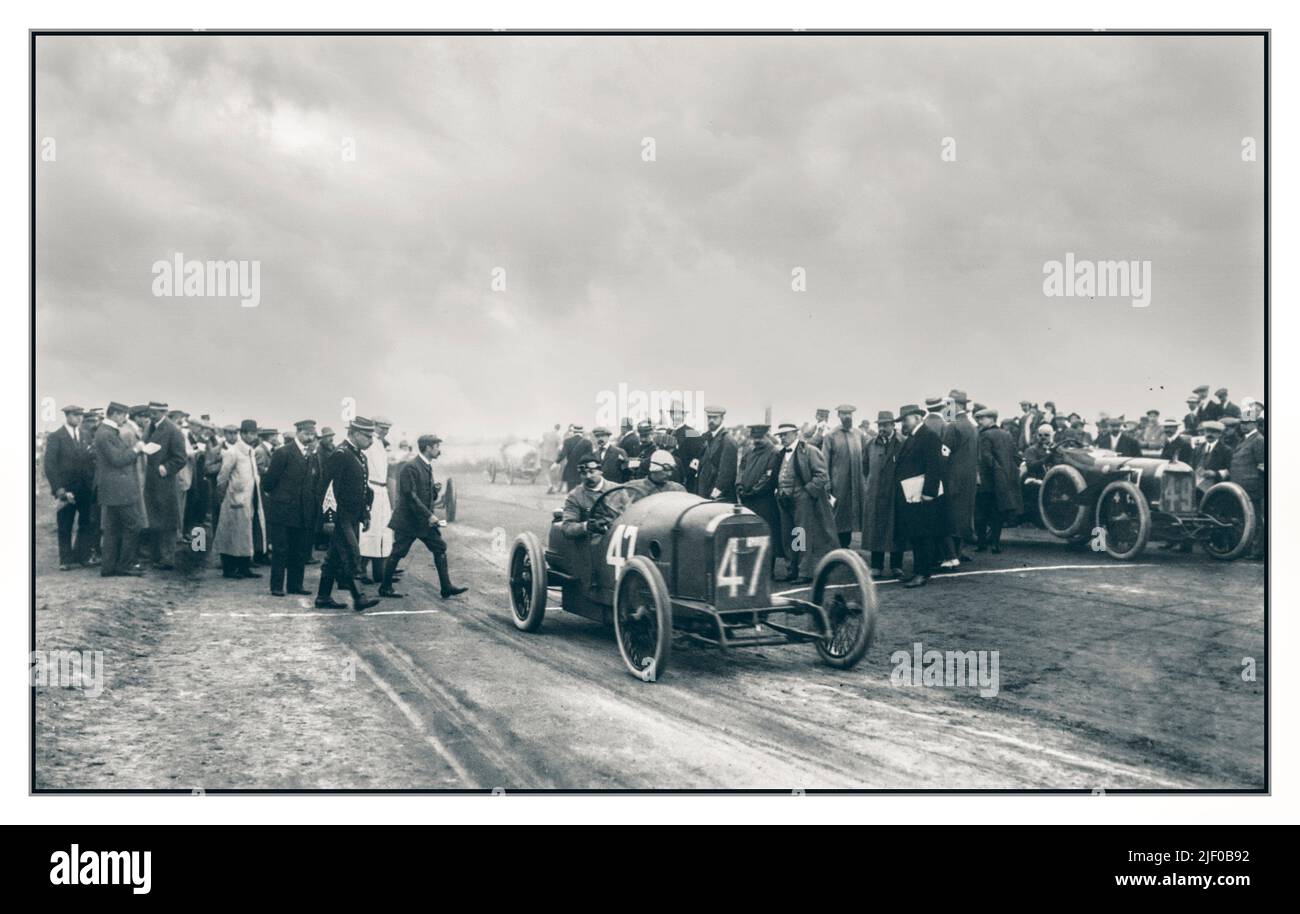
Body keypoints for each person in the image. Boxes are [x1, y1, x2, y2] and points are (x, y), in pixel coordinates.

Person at [379, 433, 467, 599]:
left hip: (423, 522)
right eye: (436, 447)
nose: (439, 450)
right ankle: (385, 587)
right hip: (408, 521)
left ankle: (446, 587)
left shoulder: (425, 465)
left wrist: (434, 491)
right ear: (428, 448)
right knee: (398, 552)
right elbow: (410, 496)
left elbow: (423, 495)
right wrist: (430, 516)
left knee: (439, 547)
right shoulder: (410, 467)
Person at [315, 417, 380, 612]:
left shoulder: (359, 456)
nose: (371, 440)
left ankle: (323, 597)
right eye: (367, 436)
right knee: (352, 554)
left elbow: (363, 489)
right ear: (355, 434)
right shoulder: (341, 455)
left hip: (353, 516)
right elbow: (327, 489)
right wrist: (329, 518)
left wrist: (365, 514)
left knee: (333, 558)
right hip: (340, 517)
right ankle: (359, 597)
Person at [773, 422, 837, 584]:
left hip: (803, 501)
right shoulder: (780, 454)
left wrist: (807, 492)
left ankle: (804, 572)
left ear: (795, 434)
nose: (782, 438)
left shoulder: (809, 451)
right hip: (784, 500)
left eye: (785, 434)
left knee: (801, 535)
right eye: (780, 435)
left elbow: (822, 475)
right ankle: (792, 569)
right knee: (789, 535)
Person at [261, 419, 319, 596]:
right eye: (307, 434)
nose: (310, 438)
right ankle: (277, 586)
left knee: (299, 550)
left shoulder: (312, 455)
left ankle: (295, 585)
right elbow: (269, 482)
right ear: (298, 433)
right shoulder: (283, 453)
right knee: (280, 549)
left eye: (312, 435)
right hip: (283, 510)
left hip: (302, 511)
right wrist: (280, 497)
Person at [92, 402, 146, 577]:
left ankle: (109, 567)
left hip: (113, 489)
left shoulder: (106, 432)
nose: (125, 418)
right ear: (114, 414)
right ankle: (125, 565)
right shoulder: (106, 433)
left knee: (112, 528)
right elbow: (117, 459)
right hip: (119, 489)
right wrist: (136, 450)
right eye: (123, 415)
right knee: (134, 524)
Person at [894, 404, 944, 588]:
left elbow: (935, 466)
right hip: (912, 494)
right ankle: (918, 571)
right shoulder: (914, 437)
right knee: (916, 534)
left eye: (905, 420)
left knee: (923, 535)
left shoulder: (928, 436)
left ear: (916, 417)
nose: (902, 425)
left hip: (922, 495)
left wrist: (929, 493)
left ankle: (923, 573)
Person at [44, 404, 97, 570]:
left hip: (85, 489)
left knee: (86, 523)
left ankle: (83, 556)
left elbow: (91, 461)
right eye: (75, 415)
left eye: (81, 415)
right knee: (65, 525)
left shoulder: (86, 435)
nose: (79, 418)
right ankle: (65, 560)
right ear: (67, 416)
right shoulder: (56, 436)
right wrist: (59, 489)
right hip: (67, 489)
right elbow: (50, 465)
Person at [213, 419, 268, 579]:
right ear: (242, 434)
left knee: (245, 534)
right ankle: (228, 569)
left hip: (249, 497)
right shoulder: (233, 452)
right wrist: (222, 496)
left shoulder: (250, 451)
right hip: (234, 498)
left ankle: (244, 567)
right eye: (249, 433)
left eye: (254, 433)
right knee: (230, 533)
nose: (252, 436)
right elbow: (223, 476)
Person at [143, 401, 187, 570]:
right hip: (150, 481)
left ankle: (167, 558)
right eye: (150, 412)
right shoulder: (150, 428)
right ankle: (156, 556)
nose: (151, 415)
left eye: (155, 412)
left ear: (164, 412)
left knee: (167, 520)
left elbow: (180, 458)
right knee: (154, 518)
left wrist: (166, 468)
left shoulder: (173, 431)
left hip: (165, 482)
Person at [974, 408, 1022, 553]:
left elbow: (986, 457)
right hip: (1003, 483)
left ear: (991, 419)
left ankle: (981, 544)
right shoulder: (1006, 434)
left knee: (980, 513)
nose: (979, 421)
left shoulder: (984, 435)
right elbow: (1017, 457)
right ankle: (996, 544)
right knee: (997, 514)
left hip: (987, 482)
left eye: (982, 419)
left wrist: (997, 469)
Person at [862, 410, 903, 580]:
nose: (882, 428)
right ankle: (876, 565)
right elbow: (865, 467)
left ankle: (896, 565)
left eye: (886, 425)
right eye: (880, 425)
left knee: (897, 529)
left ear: (893, 425)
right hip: (876, 493)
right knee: (876, 529)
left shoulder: (902, 443)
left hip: (896, 493)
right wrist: (872, 484)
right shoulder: (871, 444)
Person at [736, 423, 780, 575]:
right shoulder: (749, 450)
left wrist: (753, 491)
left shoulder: (773, 452)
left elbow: (768, 477)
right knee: (749, 533)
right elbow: (741, 469)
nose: (757, 440)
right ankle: (751, 568)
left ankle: (768, 570)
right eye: (755, 437)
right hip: (748, 500)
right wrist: (739, 485)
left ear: (766, 436)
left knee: (767, 533)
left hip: (764, 501)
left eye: (760, 437)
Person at [821, 404, 867, 548]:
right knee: (838, 517)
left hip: (857, 483)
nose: (847, 416)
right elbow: (824, 462)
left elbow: (866, 458)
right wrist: (827, 485)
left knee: (852, 515)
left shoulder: (859, 434)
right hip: (838, 484)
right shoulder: (831, 436)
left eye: (849, 414)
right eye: (844, 414)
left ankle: (845, 546)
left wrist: (865, 481)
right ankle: (835, 547)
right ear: (839, 416)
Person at [941, 390, 978, 562]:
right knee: (963, 516)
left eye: (949, 404)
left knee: (949, 517)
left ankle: (950, 556)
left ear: (956, 405)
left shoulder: (952, 426)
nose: (946, 408)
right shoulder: (972, 426)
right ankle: (959, 551)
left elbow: (944, 455)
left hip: (952, 479)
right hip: (968, 480)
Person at [359, 416, 395, 583]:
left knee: (384, 531)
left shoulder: (381, 444)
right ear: (374, 427)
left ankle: (380, 573)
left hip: (382, 490)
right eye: (382, 428)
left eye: (387, 428)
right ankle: (361, 571)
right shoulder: (368, 443)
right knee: (369, 531)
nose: (385, 431)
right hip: (371, 488)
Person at [1228, 415, 1265, 560]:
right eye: (1242, 423)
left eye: (1247, 423)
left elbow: (1262, 465)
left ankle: (1257, 551)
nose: (1243, 425)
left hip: (1252, 486)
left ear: (1254, 423)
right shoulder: (1244, 439)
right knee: (1246, 519)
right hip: (1240, 485)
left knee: (1255, 518)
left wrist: (1258, 485)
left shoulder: (1258, 440)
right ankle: (1248, 548)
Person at [559, 455, 616, 539]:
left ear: (600, 471)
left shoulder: (617, 490)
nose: (588, 476)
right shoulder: (575, 496)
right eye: (583, 473)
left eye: (591, 472)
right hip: (593, 543)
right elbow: (567, 527)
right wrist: (586, 526)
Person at [696, 405, 738, 502]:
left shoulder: (727, 441)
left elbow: (726, 473)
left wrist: (714, 495)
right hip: (705, 492)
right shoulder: (708, 438)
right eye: (709, 417)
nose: (711, 421)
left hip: (719, 497)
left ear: (722, 419)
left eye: (715, 418)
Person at [1193, 420, 1232, 495]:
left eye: (1213, 432)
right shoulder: (1198, 448)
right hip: (1197, 487)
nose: (1209, 434)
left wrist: (1215, 473)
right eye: (1207, 431)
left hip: (1215, 488)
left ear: (1220, 434)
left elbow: (1230, 470)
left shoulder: (1226, 450)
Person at [557, 424, 594, 492]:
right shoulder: (588, 443)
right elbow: (590, 457)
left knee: (570, 491)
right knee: (582, 490)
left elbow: (563, 454)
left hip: (570, 468)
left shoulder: (567, 441)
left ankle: (571, 501)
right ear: (582, 433)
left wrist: (556, 462)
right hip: (582, 469)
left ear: (573, 432)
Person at [541, 423, 563, 494]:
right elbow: (560, 447)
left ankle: (549, 485)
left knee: (546, 471)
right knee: (553, 472)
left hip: (544, 456)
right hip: (553, 457)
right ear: (558, 429)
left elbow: (540, 443)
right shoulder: (558, 437)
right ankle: (553, 486)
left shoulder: (545, 434)